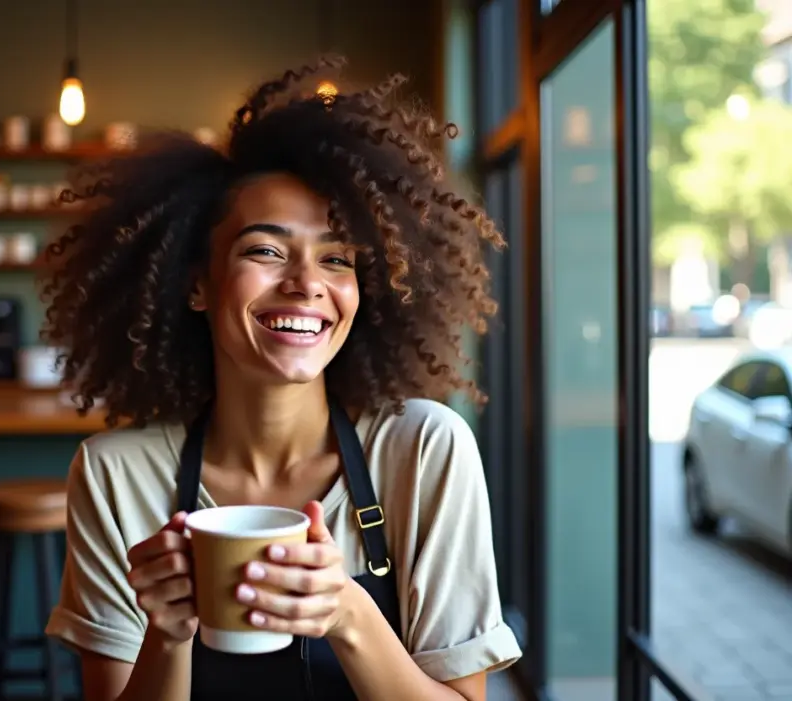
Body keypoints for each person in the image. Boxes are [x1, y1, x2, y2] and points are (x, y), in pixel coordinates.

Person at [41, 57, 522, 701]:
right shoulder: (115, 476)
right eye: (265, 251)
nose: (306, 284)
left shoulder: (424, 450)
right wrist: (168, 632)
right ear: (196, 285)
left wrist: (348, 613)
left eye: (336, 258)